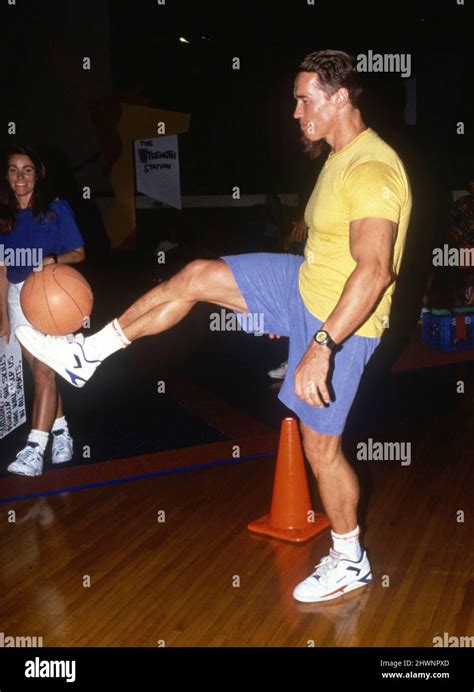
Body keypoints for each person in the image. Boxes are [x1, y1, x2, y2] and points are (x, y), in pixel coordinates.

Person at [15, 50, 412, 602]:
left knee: (322, 451)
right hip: (303, 284)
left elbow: (373, 271)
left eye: (304, 99)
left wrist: (320, 345)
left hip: (340, 319)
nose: (296, 112)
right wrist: (276, 307)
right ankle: (90, 354)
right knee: (198, 274)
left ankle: (350, 557)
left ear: (339, 97)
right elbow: (327, 249)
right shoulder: (338, 156)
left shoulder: (372, 169)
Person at [0, 145, 85, 476]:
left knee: (44, 371)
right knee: (39, 370)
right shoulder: (3, 218)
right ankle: (62, 431)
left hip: (50, 295)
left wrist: (52, 259)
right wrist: (4, 316)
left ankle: (35, 448)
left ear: (39, 173)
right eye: (12, 169)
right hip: (17, 298)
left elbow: (78, 252)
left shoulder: (55, 209)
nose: (20, 176)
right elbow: (3, 270)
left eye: (27, 169)